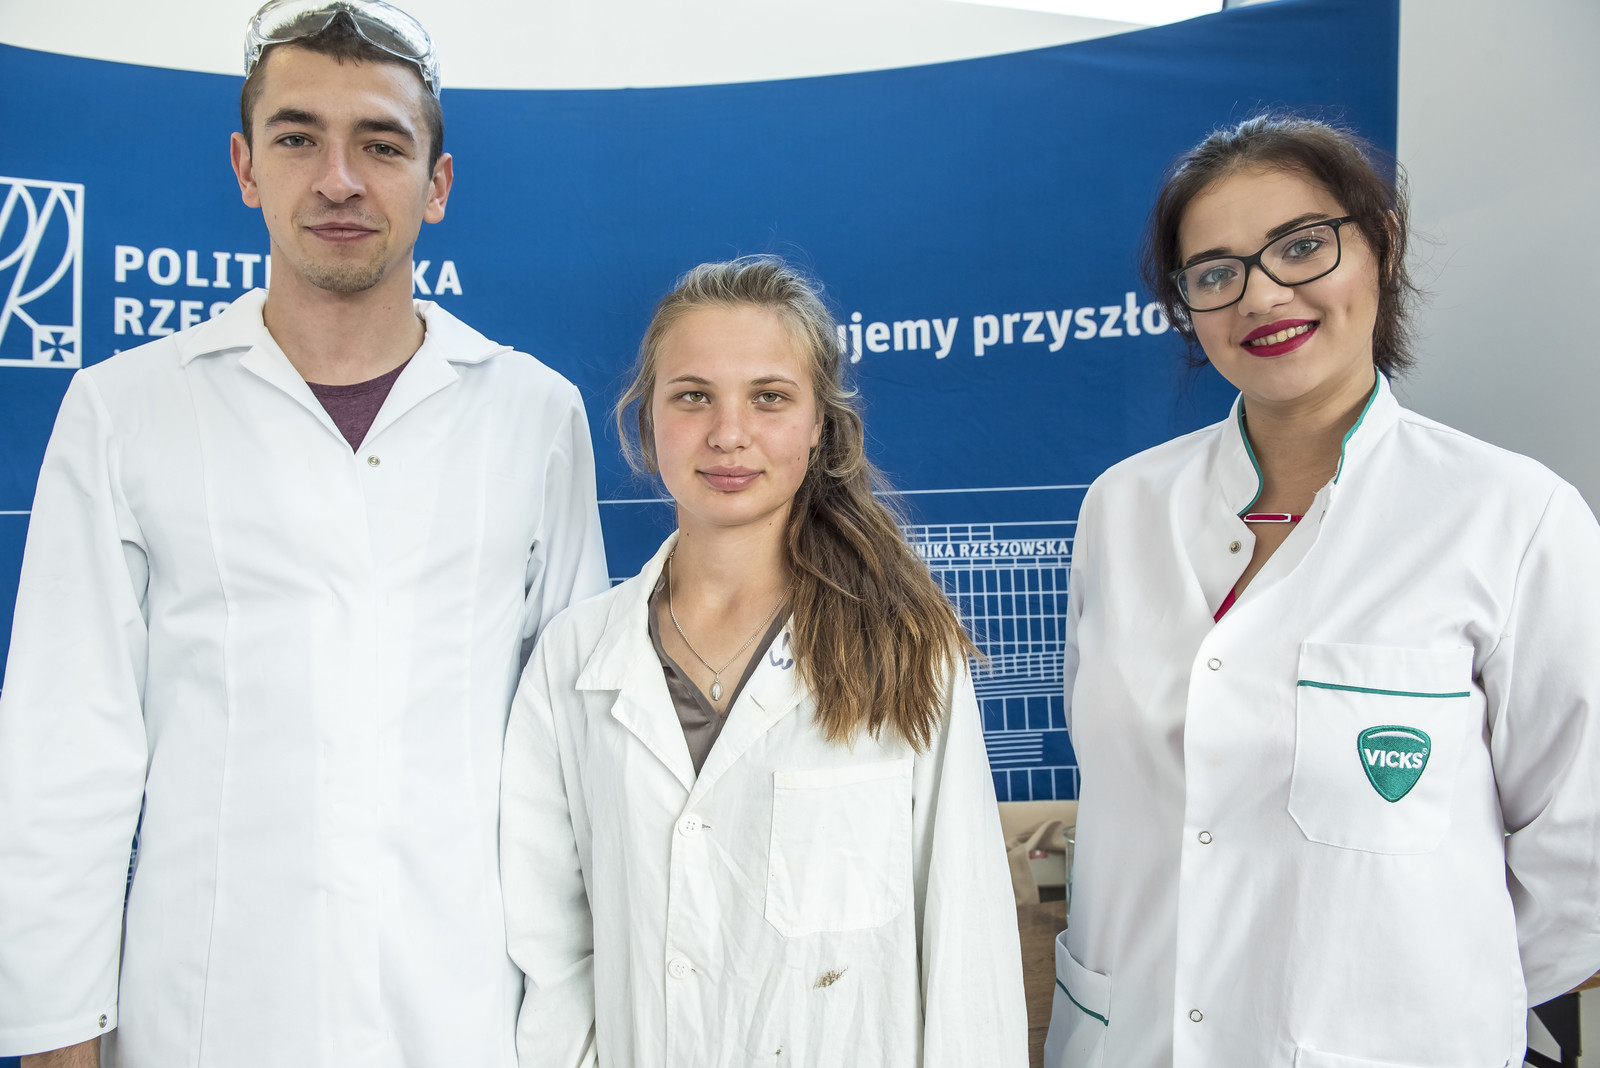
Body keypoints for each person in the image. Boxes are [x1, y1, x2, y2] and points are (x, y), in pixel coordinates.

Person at [0, 3, 608, 1065]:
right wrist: (58, 1032)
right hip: (208, 1016)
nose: (338, 179)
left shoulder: (534, 415)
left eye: (381, 144)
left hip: (466, 1018)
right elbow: (65, 746)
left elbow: (573, 753)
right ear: (245, 167)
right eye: (297, 138)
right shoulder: (123, 410)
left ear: (437, 184)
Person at [1043, 114, 1600, 1067]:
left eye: (1302, 247)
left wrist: (1427, 1004)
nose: (1262, 295)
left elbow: (1580, 864)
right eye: (1215, 273)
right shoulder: (1123, 508)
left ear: (1382, 244)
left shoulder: (1514, 517)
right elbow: (1122, 800)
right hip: (1133, 1038)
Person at [499, 256, 1028, 1068]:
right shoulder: (574, 659)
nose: (729, 433)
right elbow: (554, 956)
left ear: (820, 424)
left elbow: (967, 942)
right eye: (692, 396)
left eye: (769, 397)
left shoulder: (905, 644)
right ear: (646, 418)